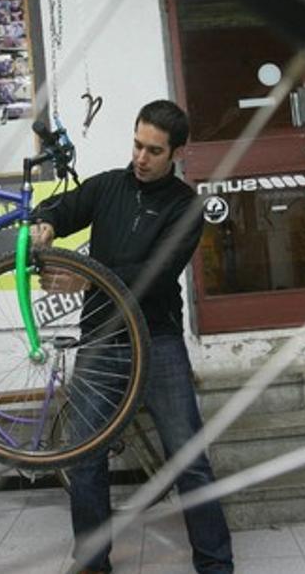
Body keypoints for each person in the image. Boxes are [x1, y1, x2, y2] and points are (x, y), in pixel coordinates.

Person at [31, 100, 234, 574]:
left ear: (177, 153)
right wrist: (46, 223)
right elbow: (61, 207)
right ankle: (93, 564)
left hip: (156, 340)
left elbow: (155, 275)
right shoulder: (107, 186)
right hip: (100, 341)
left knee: (188, 461)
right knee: (84, 458)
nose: (141, 158)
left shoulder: (187, 207)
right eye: (137, 145)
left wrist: (85, 278)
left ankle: (216, 565)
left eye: (154, 151)